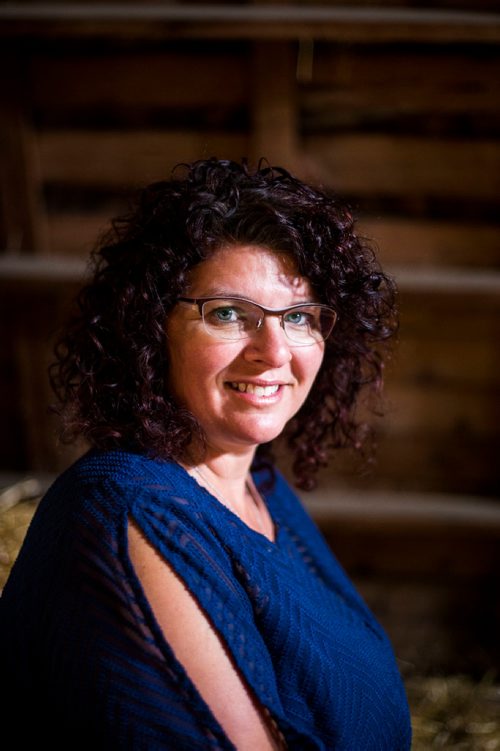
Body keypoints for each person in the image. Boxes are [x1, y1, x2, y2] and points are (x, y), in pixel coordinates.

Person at [0, 157, 412, 749]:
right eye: (228, 314)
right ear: (148, 329)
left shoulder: (257, 484)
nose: (273, 352)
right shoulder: (127, 510)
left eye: (297, 317)